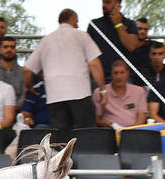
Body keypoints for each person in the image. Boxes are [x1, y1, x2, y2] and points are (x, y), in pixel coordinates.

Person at [22, 10, 104, 140]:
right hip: (80, 94)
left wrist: (28, 86)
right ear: (73, 19)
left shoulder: (46, 41)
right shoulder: (81, 36)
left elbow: (26, 69)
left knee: (60, 141)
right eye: (77, 21)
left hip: (55, 97)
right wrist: (103, 90)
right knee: (85, 136)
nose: (77, 24)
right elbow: (95, 64)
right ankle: (86, 160)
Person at [88, 0, 137, 83]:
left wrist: (118, 25)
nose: (104, 6)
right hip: (99, 77)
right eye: (103, 2)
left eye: (108, 2)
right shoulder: (94, 25)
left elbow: (131, 46)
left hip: (123, 77)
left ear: (118, 4)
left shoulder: (130, 24)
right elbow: (88, 53)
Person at [92, 60, 145, 128]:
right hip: (110, 132)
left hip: (133, 132)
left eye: (122, 73)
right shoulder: (100, 92)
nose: (119, 76)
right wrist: (105, 124)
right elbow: (97, 120)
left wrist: (129, 132)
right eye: (115, 73)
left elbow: (141, 118)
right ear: (111, 74)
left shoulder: (139, 91)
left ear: (127, 74)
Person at [0, 36, 23, 101]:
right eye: (5, 47)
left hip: (16, 109)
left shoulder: (22, 72)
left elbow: (24, 95)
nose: (9, 50)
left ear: (15, 50)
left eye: (12, 47)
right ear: (0, 50)